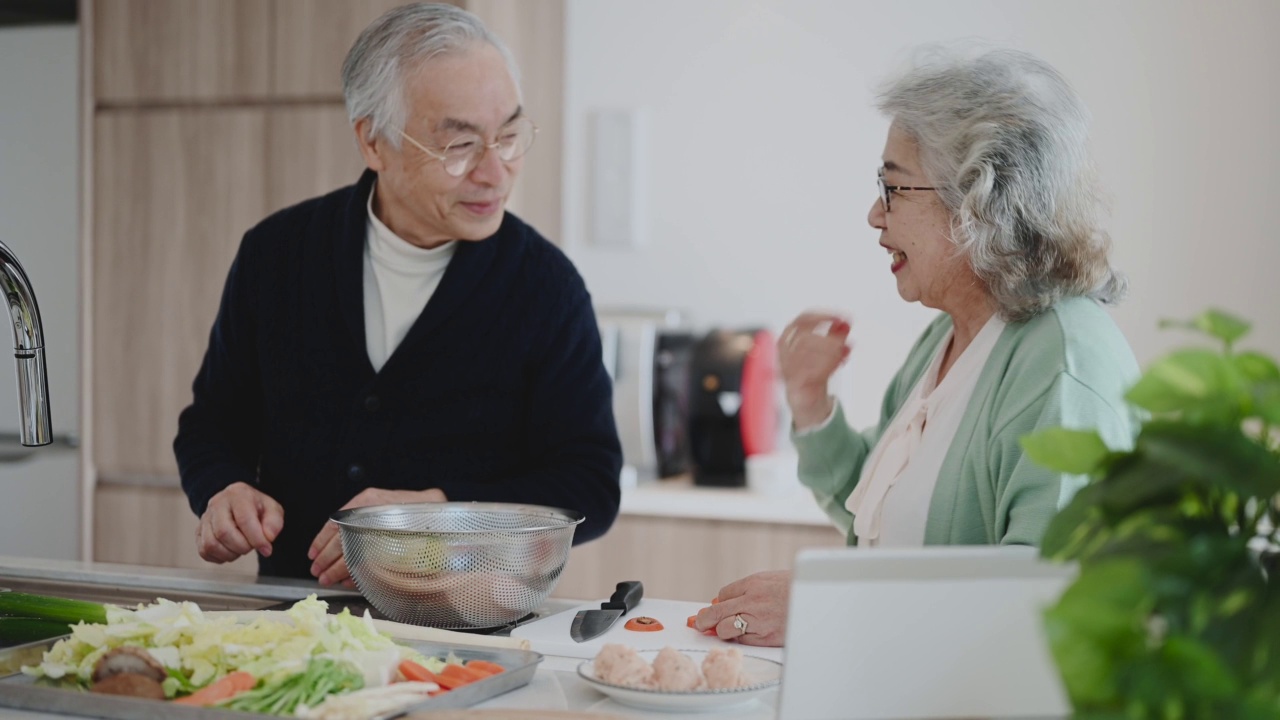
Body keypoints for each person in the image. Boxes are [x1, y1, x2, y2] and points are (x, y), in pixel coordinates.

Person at [694, 46, 1140, 647]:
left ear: (980, 200)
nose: (875, 215)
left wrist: (826, 606)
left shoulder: (1064, 361)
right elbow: (875, 518)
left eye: (894, 187)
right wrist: (809, 400)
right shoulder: (949, 334)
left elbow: (1043, 601)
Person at [173, 3, 622, 585]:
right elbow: (212, 423)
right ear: (373, 142)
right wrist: (222, 488)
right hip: (296, 624)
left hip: (469, 629)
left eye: (509, 135)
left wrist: (443, 513)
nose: (496, 172)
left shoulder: (545, 288)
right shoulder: (277, 254)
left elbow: (588, 485)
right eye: (460, 146)